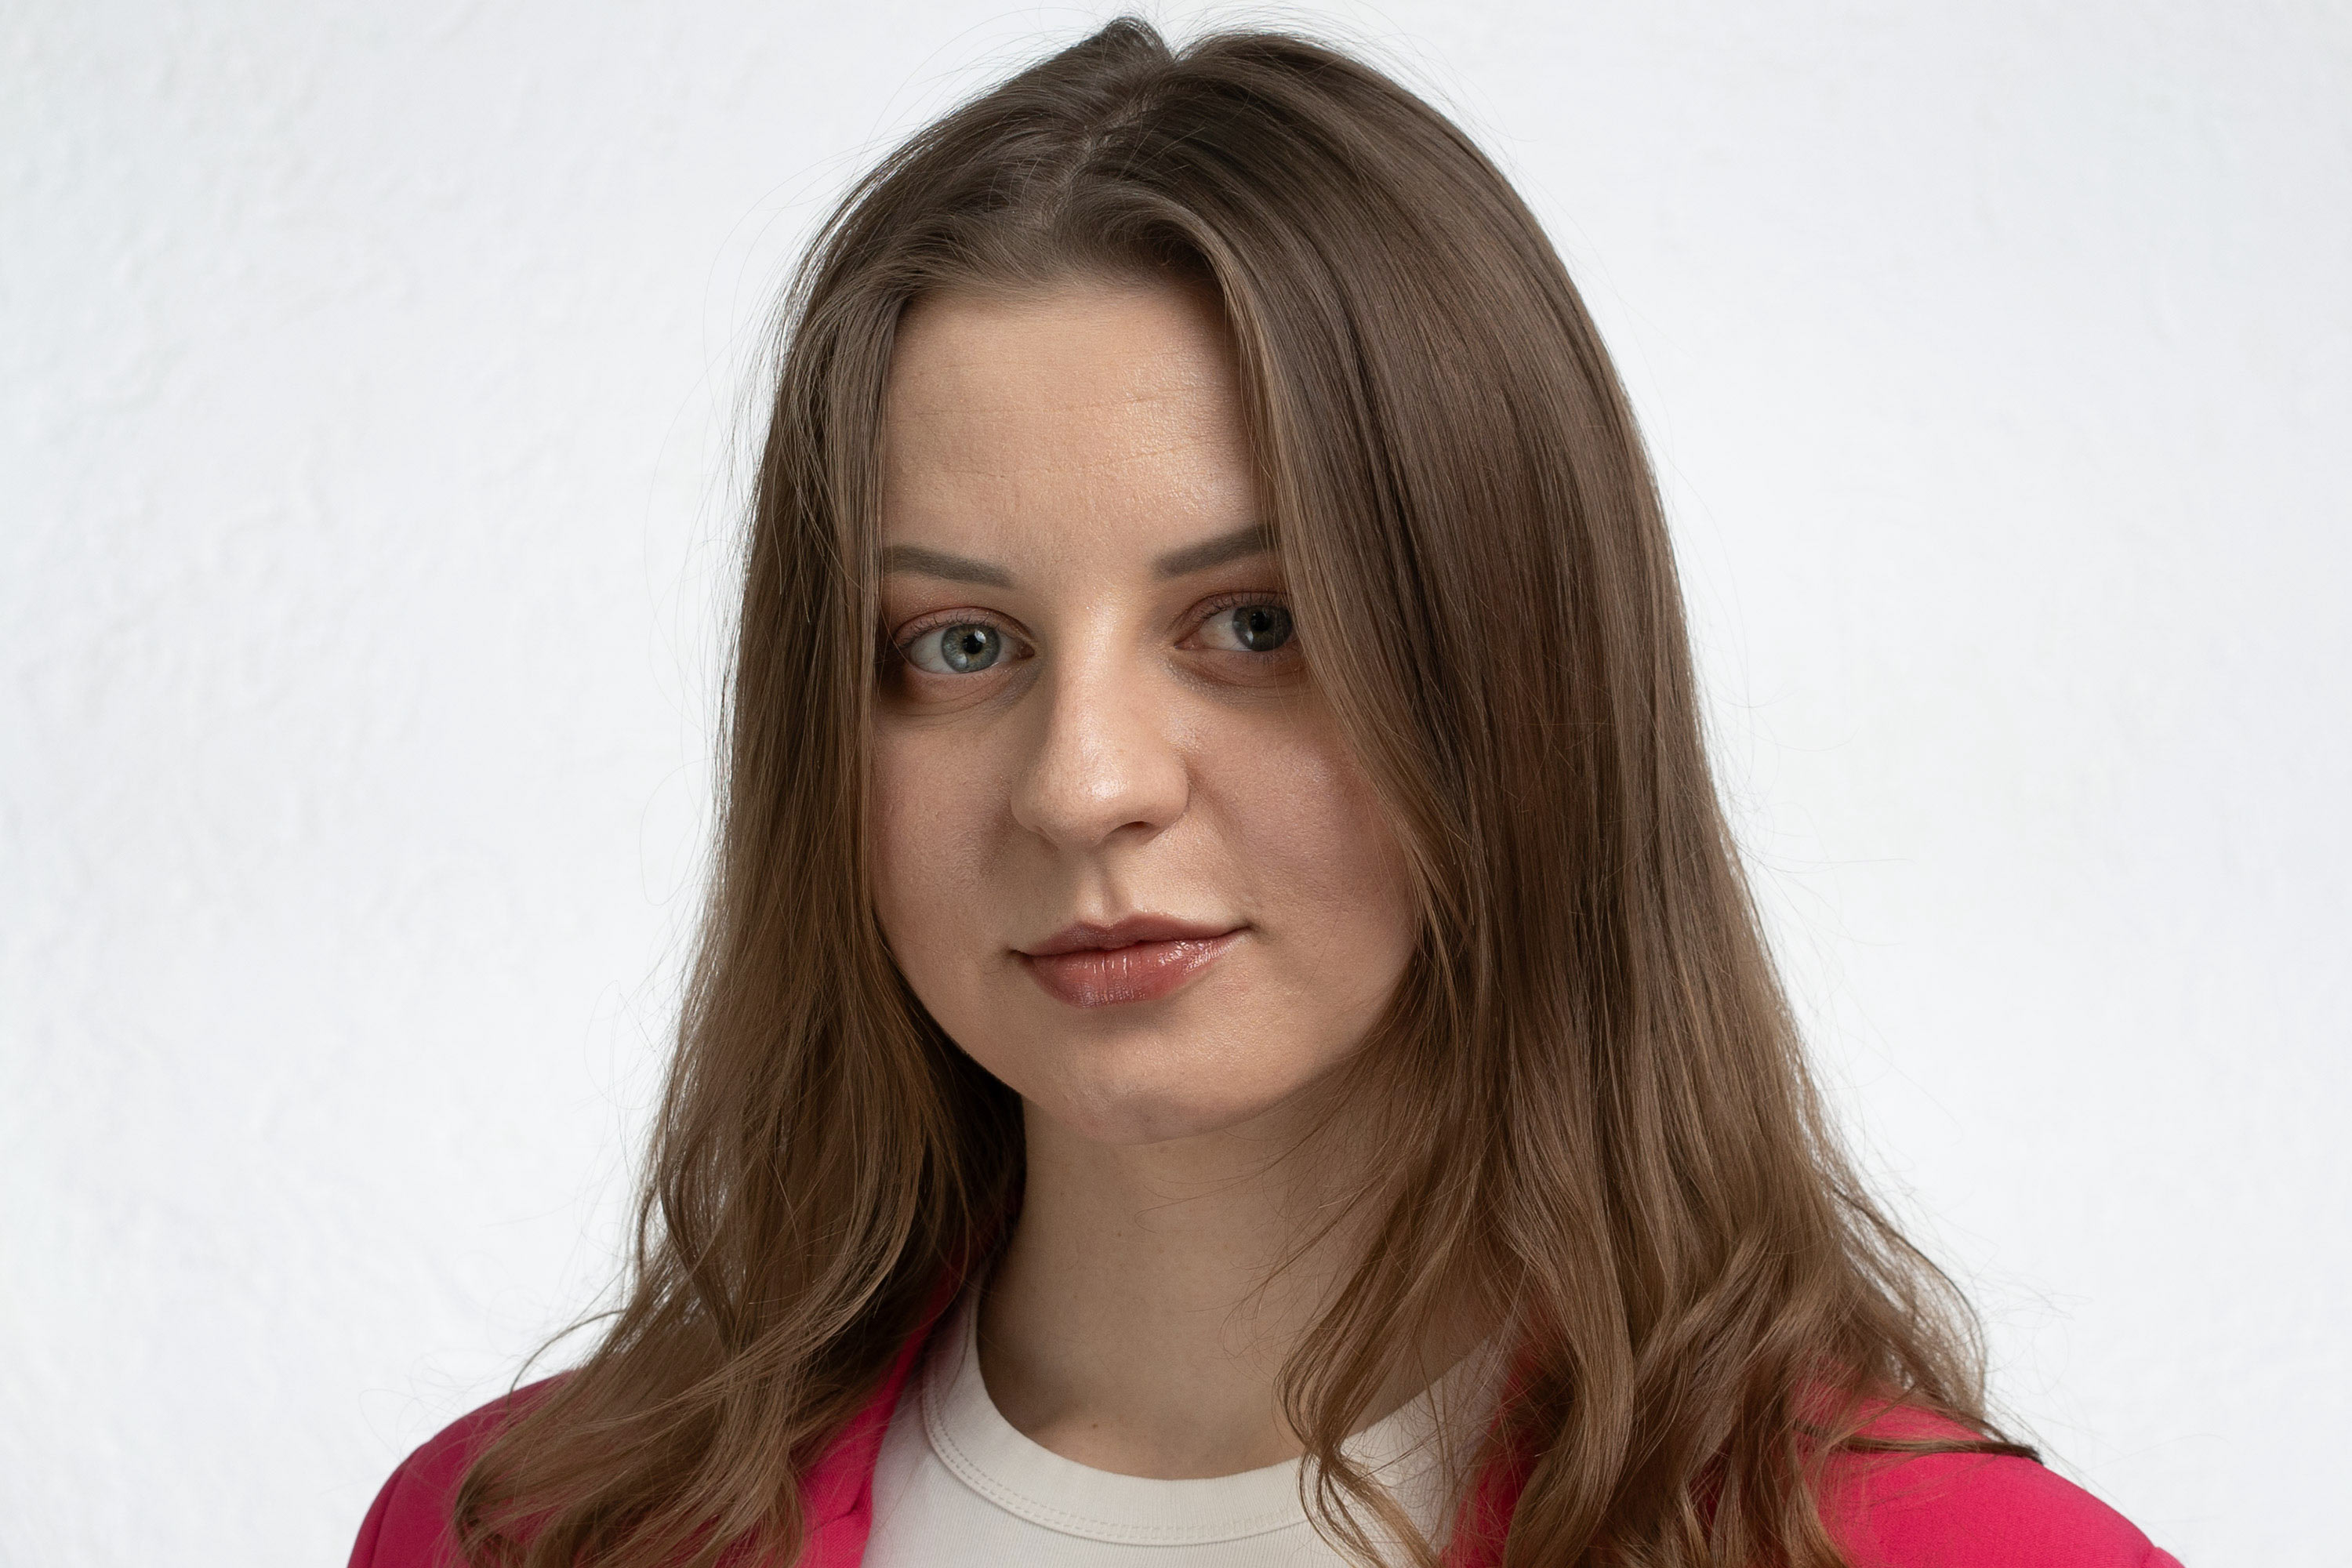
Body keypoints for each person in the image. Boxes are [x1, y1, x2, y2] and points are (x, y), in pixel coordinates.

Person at [350, 20, 2180, 1568]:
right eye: (961, 645)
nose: (1085, 786)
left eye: (1253, 622)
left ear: (1525, 681)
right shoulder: (504, 1533)